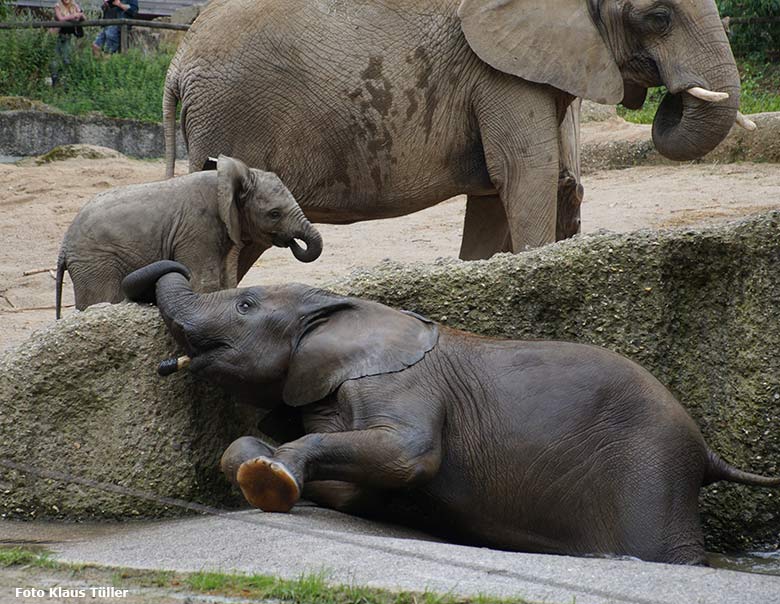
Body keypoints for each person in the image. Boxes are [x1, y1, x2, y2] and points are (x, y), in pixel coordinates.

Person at [49, 0, 85, 86]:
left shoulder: (74, 5)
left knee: (67, 59)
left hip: (67, 36)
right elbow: (61, 18)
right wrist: (73, 16)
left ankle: (66, 81)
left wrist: (80, 15)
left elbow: (83, 16)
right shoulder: (58, 6)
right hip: (56, 36)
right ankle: (55, 81)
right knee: (55, 60)